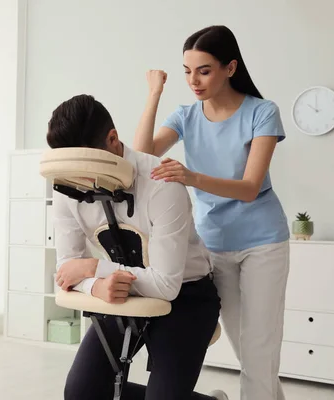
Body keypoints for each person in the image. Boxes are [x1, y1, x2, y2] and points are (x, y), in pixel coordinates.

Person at [132, 25, 290, 400]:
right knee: (245, 346)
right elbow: (141, 158)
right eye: (187, 71)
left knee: (259, 347)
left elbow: (250, 188)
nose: (193, 80)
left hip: (263, 242)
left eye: (203, 70)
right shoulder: (187, 116)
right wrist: (154, 94)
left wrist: (191, 177)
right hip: (214, 245)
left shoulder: (262, 112)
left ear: (230, 68)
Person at [47, 94, 229, 400]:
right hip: (118, 289)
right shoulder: (69, 185)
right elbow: (67, 269)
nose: (80, 180)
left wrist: (94, 268)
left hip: (186, 295)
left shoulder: (162, 183)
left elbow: (166, 284)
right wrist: (95, 286)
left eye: (86, 164)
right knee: (82, 394)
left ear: (113, 139)